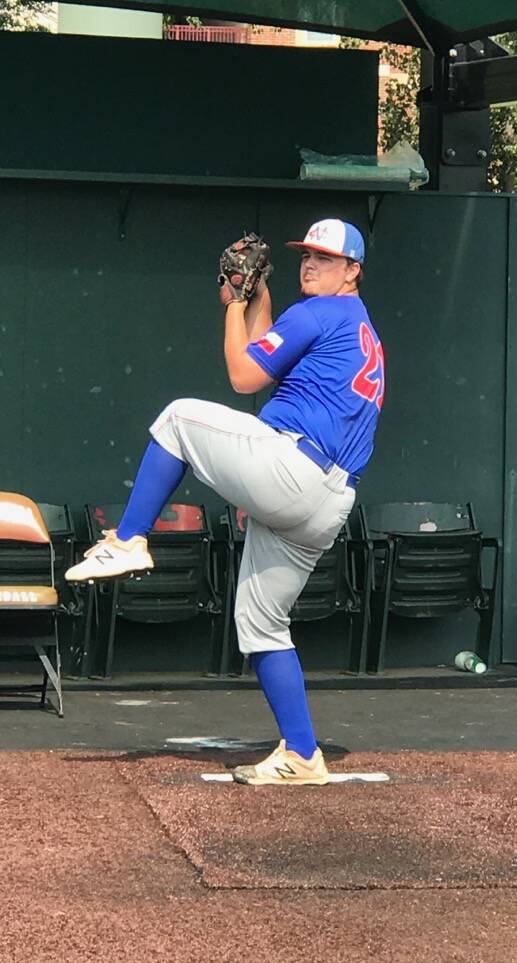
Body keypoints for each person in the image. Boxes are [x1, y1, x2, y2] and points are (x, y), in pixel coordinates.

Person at [66, 218, 385, 785]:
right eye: (306, 256)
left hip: (295, 469)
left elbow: (241, 377)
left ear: (353, 270)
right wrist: (257, 296)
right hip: (328, 501)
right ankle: (303, 753)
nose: (310, 265)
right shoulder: (352, 322)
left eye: (326, 259)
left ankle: (129, 538)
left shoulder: (319, 313)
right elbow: (267, 367)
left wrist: (233, 307)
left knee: (177, 418)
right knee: (261, 623)